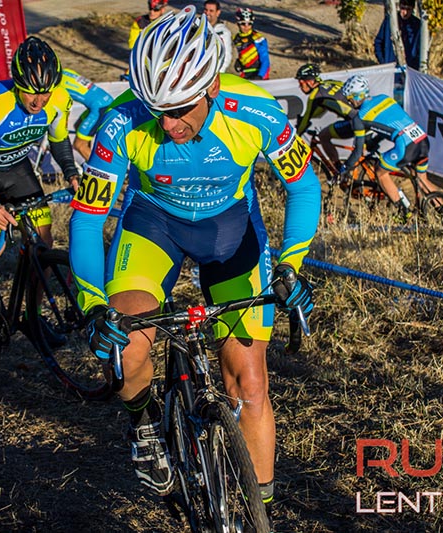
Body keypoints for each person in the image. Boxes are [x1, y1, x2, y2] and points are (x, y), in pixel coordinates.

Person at [68, 5, 319, 522]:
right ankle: (142, 425)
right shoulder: (121, 121)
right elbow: (88, 221)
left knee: (249, 383)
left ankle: (260, 512)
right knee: (126, 345)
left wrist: (291, 264)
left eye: (179, 108)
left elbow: (304, 187)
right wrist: (93, 304)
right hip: (153, 226)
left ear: (211, 87)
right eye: (155, 108)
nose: (167, 124)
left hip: (231, 232)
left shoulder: (256, 111)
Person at [0, 36, 81, 322]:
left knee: (43, 243)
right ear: (17, 85)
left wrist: (71, 172)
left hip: (15, 169)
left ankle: (34, 316)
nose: (39, 102)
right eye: (31, 94)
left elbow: (59, 140)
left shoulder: (60, 99)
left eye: (45, 94)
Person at [334, 74, 437, 222]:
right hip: (421, 138)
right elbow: (391, 123)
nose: (349, 101)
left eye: (349, 98)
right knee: (422, 180)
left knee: (380, 172)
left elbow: (357, 152)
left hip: (406, 146)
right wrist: (375, 141)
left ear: (356, 96)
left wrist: (344, 169)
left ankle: (404, 212)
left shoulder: (359, 117)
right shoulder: (384, 98)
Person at [294, 63, 346, 172]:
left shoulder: (315, 96)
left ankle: (340, 170)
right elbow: (322, 109)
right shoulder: (331, 82)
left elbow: (306, 119)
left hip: (355, 121)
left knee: (323, 136)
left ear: (309, 82)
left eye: (301, 83)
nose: (300, 86)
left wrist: (296, 136)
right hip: (365, 114)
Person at [61, 68, 114, 161]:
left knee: (79, 145)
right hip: (104, 102)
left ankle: (99, 168)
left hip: (99, 108)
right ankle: (89, 159)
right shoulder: (65, 71)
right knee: (78, 126)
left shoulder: (54, 84)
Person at [373, 0, 421, 70]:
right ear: (399, 6)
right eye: (403, 8)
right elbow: (378, 42)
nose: (405, 13)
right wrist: (383, 61)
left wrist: (415, 65)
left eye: (408, 9)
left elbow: (420, 49)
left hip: (410, 69)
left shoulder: (417, 25)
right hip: (390, 67)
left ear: (412, 9)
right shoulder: (389, 21)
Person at [233, 7, 270, 80]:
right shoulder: (236, 38)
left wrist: (260, 76)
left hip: (258, 73)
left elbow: (265, 60)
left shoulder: (258, 38)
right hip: (245, 73)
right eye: (243, 23)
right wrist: (239, 61)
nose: (246, 26)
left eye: (249, 23)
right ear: (237, 23)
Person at [203, 0, 232, 73]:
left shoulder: (224, 32)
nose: (207, 13)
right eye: (206, 10)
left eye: (211, 11)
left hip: (214, 72)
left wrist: (219, 72)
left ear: (218, 12)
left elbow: (226, 55)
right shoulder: (196, 27)